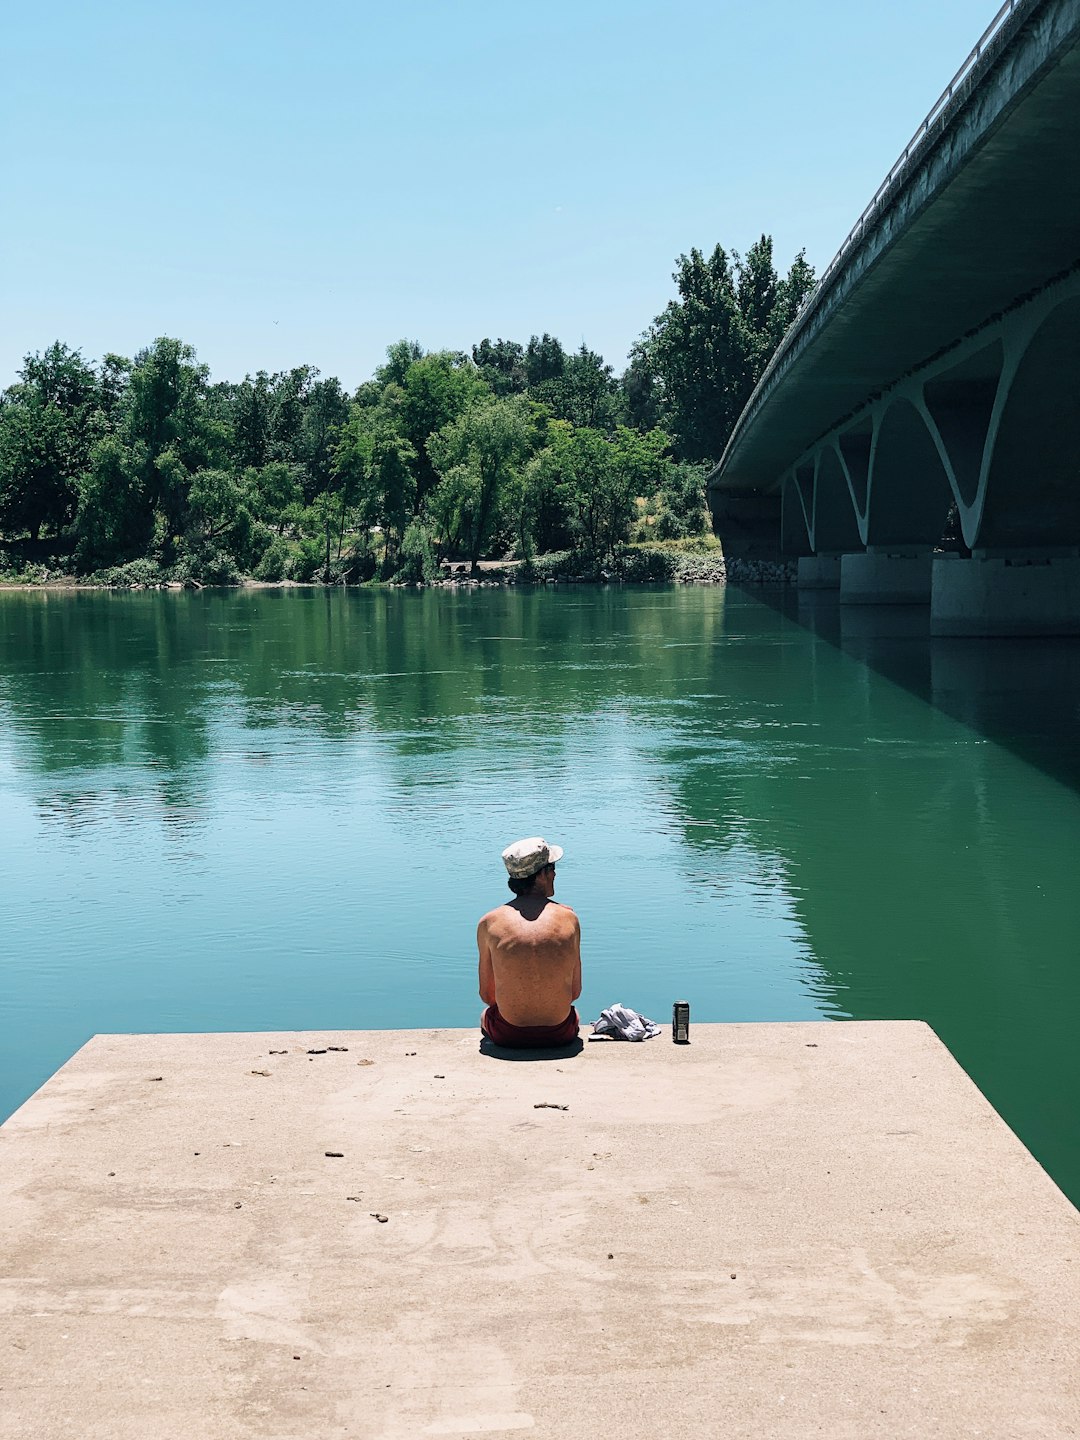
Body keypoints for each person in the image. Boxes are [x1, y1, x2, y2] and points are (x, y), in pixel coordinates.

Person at [478, 836, 581, 1049]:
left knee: (484, 1015)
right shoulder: (569, 918)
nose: (555, 873)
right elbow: (574, 992)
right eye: (551, 868)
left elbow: (487, 995)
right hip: (560, 1032)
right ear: (542, 874)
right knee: (575, 1013)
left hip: (508, 1035)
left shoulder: (489, 922)